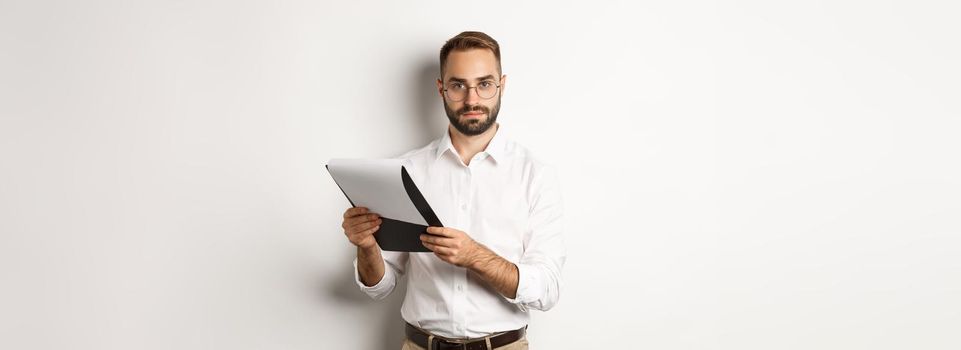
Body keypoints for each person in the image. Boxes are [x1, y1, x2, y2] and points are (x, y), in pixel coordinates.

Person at [340, 31, 565, 350]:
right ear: (441, 88)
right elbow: (380, 286)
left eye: (484, 84)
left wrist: (476, 256)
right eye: (458, 85)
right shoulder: (406, 171)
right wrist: (365, 246)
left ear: (502, 84)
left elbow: (546, 290)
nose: (472, 100)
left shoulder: (535, 175)